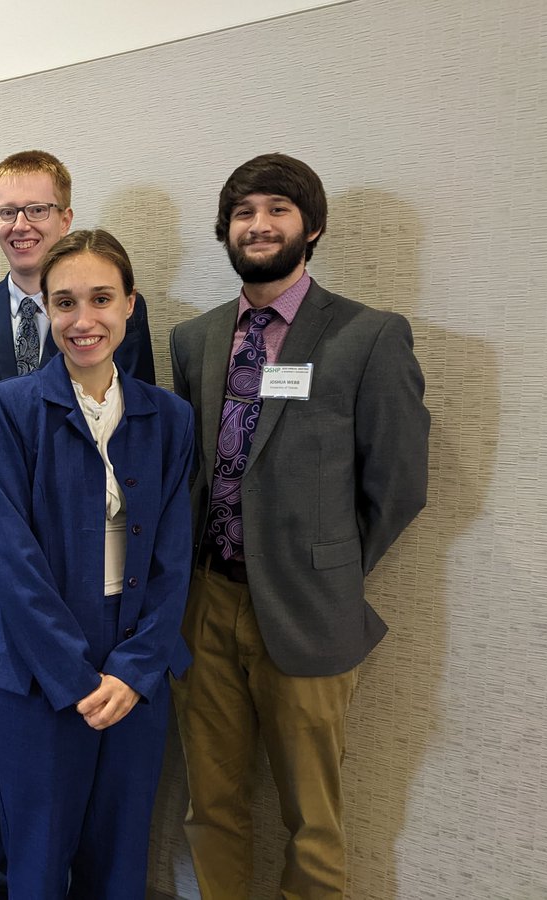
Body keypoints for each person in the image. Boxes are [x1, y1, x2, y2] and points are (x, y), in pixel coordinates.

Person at [169, 153, 430, 898]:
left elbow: (399, 485)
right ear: (225, 230)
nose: (260, 225)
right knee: (210, 808)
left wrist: (328, 564)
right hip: (207, 605)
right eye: (245, 212)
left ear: (311, 226)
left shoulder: (368, 336)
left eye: (278, 209)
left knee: (313, 819)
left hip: (311, 613)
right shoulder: (196, 340)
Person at [0, 149, 156, 900]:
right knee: (16, 792)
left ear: (65, 215)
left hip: (109, 603)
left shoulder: (126, 335)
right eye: (7, 212)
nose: (21, 225)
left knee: (102, 824)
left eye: (36, 210)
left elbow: (139, 469)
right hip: (1, 594)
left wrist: (126, 654)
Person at [0, 229, 194, 899]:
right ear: (46, 310)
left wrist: (132, 670)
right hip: (36, 670)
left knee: (120, 861)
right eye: (64, 302)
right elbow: (13, 560)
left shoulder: (171, 417)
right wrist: (73, 676)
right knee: (36, 864)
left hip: (135, 666)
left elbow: (172, 557)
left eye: (101, 299)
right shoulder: (7, 408)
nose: (83, 320)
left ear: (131, 305)